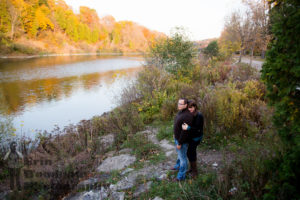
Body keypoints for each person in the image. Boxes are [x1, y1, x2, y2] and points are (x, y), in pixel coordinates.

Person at [172, 98, 193, 181]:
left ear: (186, 105)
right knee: (179, 154)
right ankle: (177, 166)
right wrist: (175, 134)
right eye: (178, 103)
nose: (178, 105)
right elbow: (177, 125)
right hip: (177, 138)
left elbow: (185, 132)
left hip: (182, 141)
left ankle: (181, 177)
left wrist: (180, 143)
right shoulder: (181, 112)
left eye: (181, 104)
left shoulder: (187, 116)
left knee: (183, 158)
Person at [182, 100, 204, 178]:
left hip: (196, 137)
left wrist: (188, 128)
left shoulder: (199, 115)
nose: (189, 109)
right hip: (191, 136)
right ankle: (191, 168)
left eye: (191, 108)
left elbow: (197, 129)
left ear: (195, 107)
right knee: (189, 153)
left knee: (191, 152)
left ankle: (195, 171)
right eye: (188, 108)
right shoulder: (190, 114)